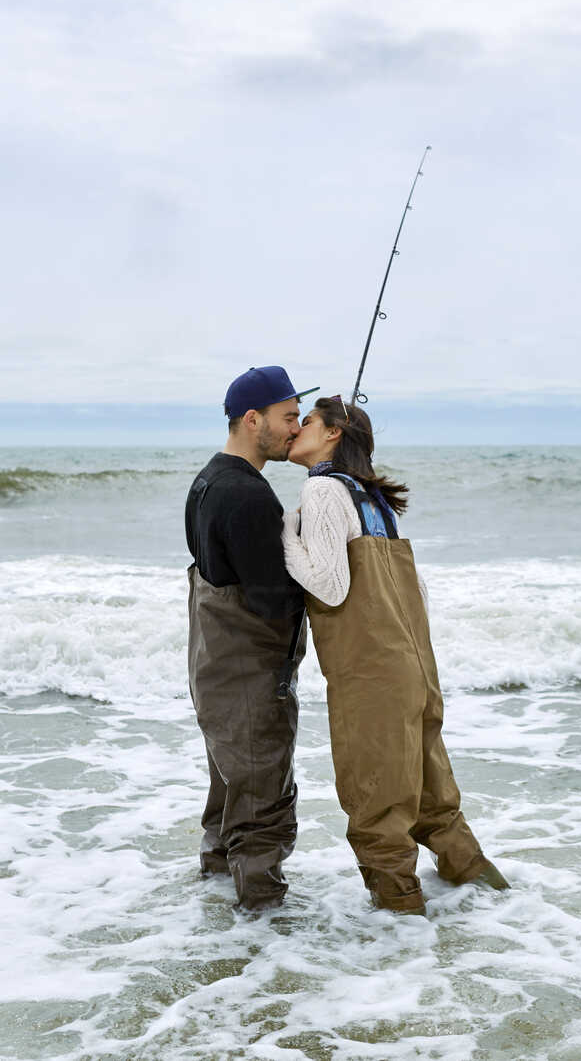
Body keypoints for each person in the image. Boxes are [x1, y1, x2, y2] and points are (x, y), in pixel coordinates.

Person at [281, 396, 510, 915]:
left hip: (372, 671)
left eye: (308, 422)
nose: (296, 430)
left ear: (333, 434)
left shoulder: (321, 489)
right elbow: (418, 592)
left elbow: (331, 587)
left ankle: (399, 929)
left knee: (376, 798)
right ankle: (485, 891)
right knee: (432, 796)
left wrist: (285, 536)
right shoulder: (372, 498)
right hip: (415, 662)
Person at [185, 366, 318, 911]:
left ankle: (215, 901)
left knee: (230, 785)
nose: (294, 429)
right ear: (252, 419)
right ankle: (262, 925)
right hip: (248, 673)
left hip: (214, 668)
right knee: (262, 795)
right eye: (288, 418)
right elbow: (270, 601)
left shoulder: (207, 480)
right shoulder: (248, 496)